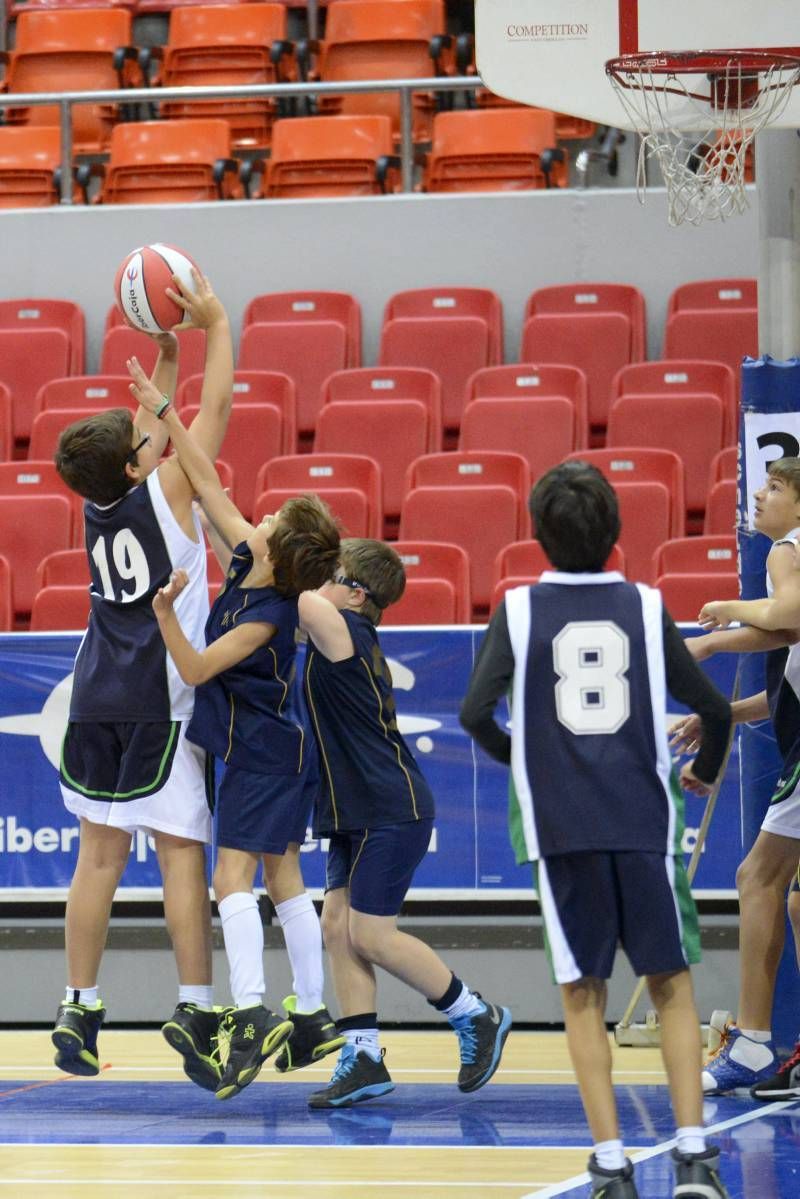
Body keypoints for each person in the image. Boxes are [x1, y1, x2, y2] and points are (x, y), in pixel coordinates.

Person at [460, 461, 732, 1199]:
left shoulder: (517, 610)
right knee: (672, 984)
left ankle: (611, 1162)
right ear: (616, 534)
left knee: (583, 992)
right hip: (642, 819)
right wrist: (704, 767)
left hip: (561, 828)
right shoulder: (646, 606)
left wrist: (530, 761)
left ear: (539, 534)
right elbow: (710, 705)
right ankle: (694, 1156)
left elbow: (474, 712)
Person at [130, 358, 344, 1101]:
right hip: (278, 747)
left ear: (281, 550)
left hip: (261, 753)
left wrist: (163, 617)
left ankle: (251, 1012)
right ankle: (312, 1013)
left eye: (277, 519)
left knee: (232, 881)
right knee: (284, 877)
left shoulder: (264, 617)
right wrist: (164, 405)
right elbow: (207, 477)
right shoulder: (254, 551)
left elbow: (193, 670)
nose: (264, 514)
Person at [52, 271, 232, 1090]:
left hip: (94, 698)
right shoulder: (171, 487)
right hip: (162, 701)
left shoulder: (95, 505)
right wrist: (210, 331)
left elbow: (140, 436)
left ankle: (78, 1004)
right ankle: (196, 1005)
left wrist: (163, 354)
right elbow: (205, 425)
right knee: (179, 855)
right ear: (139, 462)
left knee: (97, 860)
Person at [297, 538, 512, 1109]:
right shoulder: (329, 628)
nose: (320, 579)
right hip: (349, 809)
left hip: (389, 806)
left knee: (370, 934)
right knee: (336, 926)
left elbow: (283, 587)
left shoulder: (344, 629)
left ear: (355, 591)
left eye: (331, 573)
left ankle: (474, 1013)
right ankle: (363, 1055)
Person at [671, 456, 800, 1101]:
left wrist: (719, 626)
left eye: (775, 488)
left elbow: (789, 615)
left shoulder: (787, 549)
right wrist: (723, 711)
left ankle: (752, 1043)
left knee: (759, 877)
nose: (760, 495)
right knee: (789, 891)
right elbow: (787, 640)